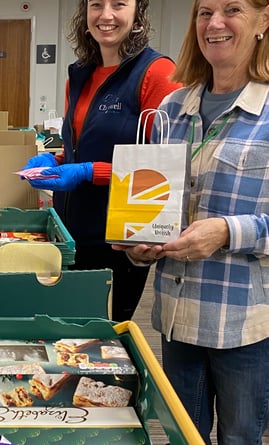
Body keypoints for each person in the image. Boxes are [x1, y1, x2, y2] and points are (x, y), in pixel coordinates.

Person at [114, 0, 269, 443]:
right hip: (178, 315)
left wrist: (226, 231)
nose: (214, 23)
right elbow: (158, 205)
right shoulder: (172, 108)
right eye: (204, 11)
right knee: (182, 435)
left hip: (245, 323)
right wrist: (141, 244)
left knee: (240, 437)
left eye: (232, 10)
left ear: (263, 20)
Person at [22, 0, 181, 322]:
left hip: (119, 237)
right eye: (97, 5)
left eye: (119, 4)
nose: (106, 15)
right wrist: (55, 160)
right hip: (70, 232)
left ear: (138, 14)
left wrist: (87, 172)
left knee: (101, 339)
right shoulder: (79, 76)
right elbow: (81, 147)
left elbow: (165, 170)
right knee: (64, 331)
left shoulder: (157, 73)